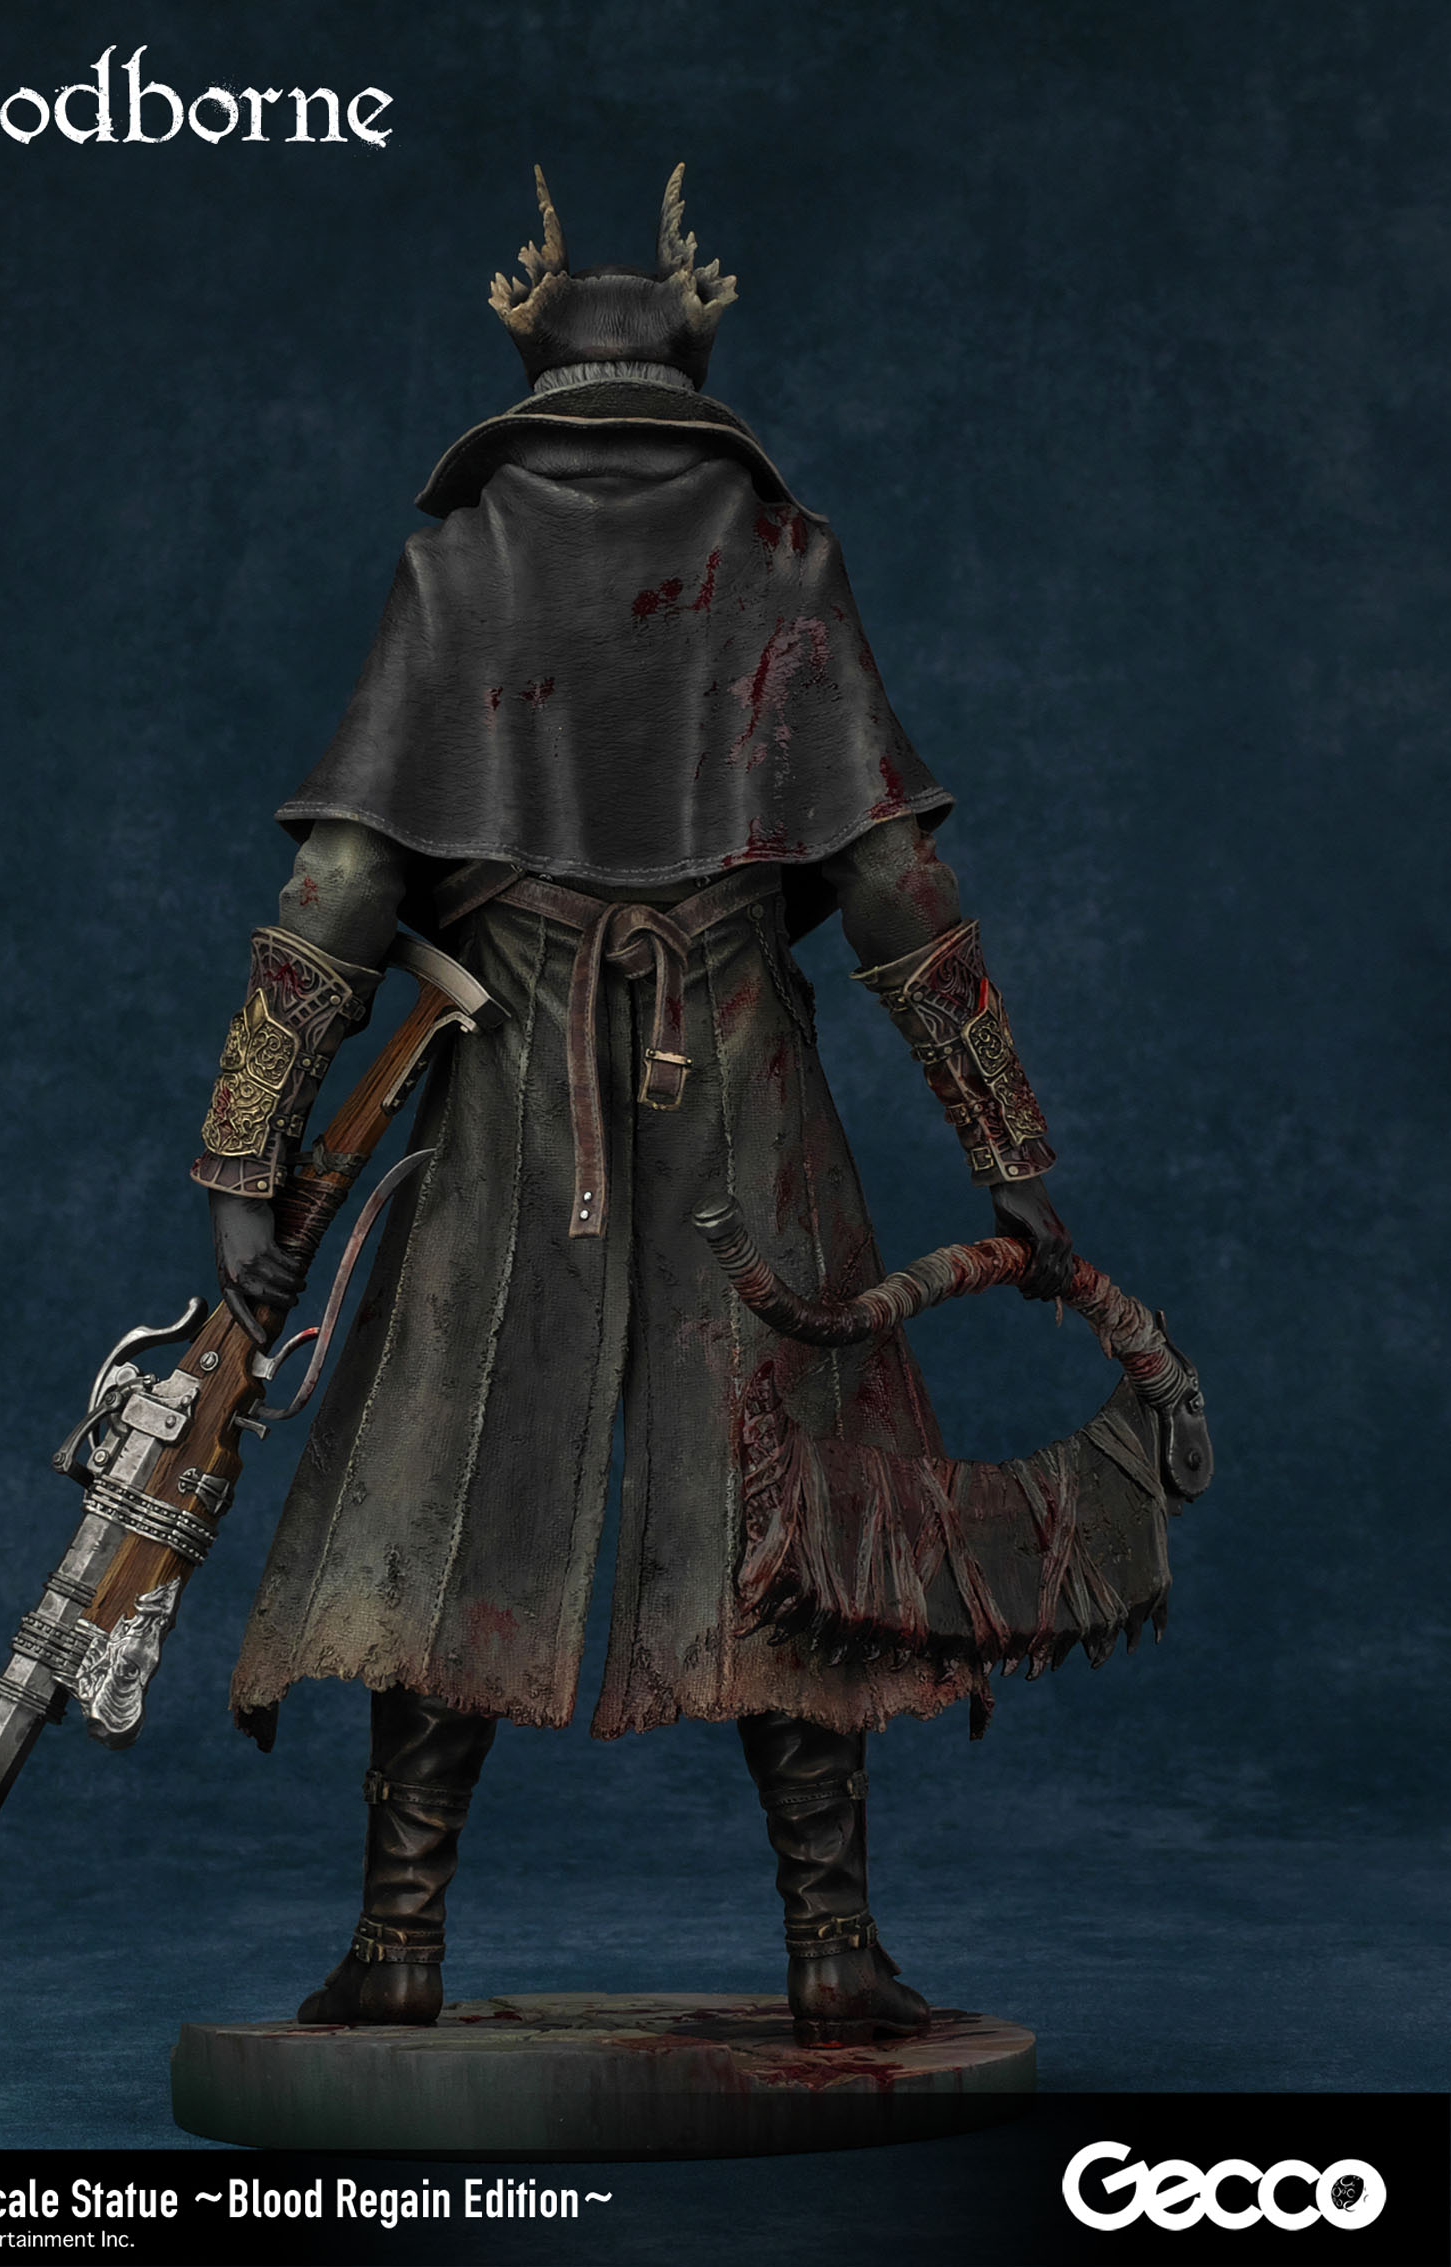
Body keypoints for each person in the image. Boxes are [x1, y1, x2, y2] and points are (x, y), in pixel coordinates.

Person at [191, 168, 1074, 2046]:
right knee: (791, 1484)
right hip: (745, 1076)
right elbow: (897, 884)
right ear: (694, 365)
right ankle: (832, 1948)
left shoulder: (461, 563)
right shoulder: (784, 558)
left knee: (444, 1478)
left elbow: (341, 884)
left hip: (510, 1091)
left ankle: (399, 1945)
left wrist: (243, 1162)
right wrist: (1008, 1152)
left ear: (537, 375)